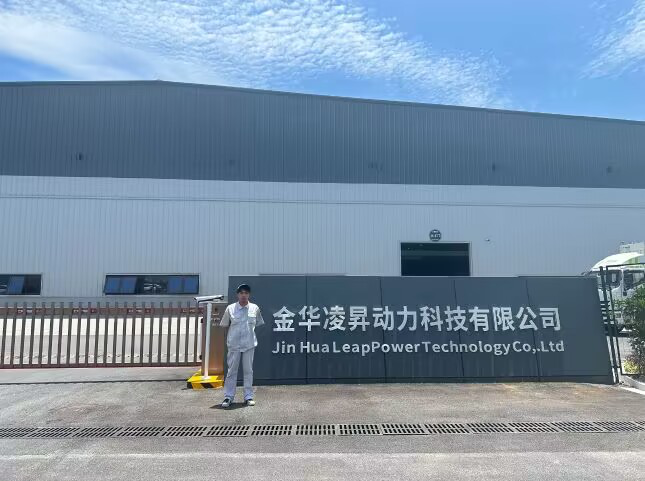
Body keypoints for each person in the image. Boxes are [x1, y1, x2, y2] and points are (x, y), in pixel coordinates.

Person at [218, 283, 264, 408]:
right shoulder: (230, 308)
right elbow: (225, 325)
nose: (244, 295)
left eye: (246, 293)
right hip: (234, 345)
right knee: (232, 371)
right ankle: (228, 396)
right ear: (237, 295)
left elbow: (258, 323)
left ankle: (248, 396)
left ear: (249, 295)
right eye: (241, 293)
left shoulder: (255, 308)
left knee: (248, 371)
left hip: (249, 344)